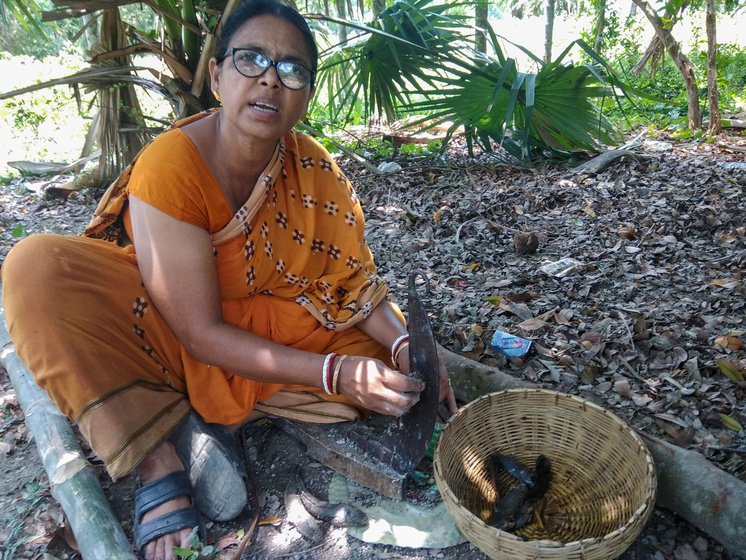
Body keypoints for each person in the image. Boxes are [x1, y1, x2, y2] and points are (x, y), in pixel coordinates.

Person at [1, 1, 457, 558]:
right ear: (217, 76)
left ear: (305, 95)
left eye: (291, 69)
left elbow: (353, 288)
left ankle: (195, 413)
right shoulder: (174, 166)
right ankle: (158, 458)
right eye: (252, 59)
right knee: (36, 269)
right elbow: (198, 331)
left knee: (390, 372)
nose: (270, 77)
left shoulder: (314, 169)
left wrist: (408, 346)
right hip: (168, 331)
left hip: (271, 330)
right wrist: (336, 373)